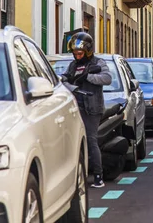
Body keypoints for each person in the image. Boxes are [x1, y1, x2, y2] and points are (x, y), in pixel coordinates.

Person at [61, 33, 112, 188]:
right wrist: (68, 83)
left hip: (92, 108)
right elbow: (65, 79)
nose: (77, 56)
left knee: (91, 139)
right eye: (75, 53)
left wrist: (87, 76)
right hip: (75, 107)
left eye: (80, 53)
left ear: (88, 51)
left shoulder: (98, 62)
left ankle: (98, 175)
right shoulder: (72, 65)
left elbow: (107, 78)